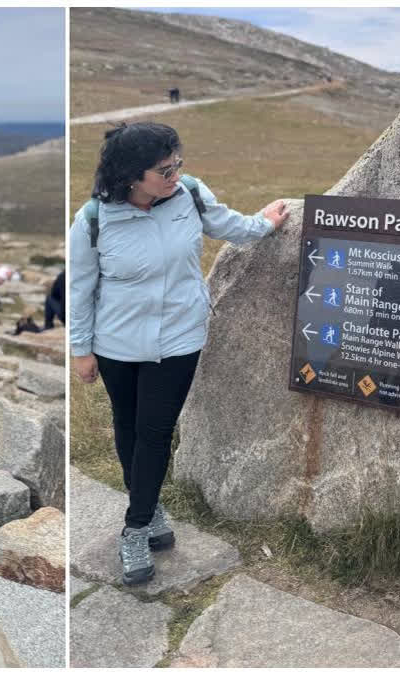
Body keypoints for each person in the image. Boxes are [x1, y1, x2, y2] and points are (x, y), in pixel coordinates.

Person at [69, 122, 288, 586]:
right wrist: (80, 350)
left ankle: (134, 527)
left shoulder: (189, 193)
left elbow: (230, 225)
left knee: (155, 431)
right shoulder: (92, 219)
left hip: (178, 339)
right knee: (127, 427)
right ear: (131, 175)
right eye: (164, 170)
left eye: (177, 164)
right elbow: (81, 287)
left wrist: (266, 223)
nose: (175, 175)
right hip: (116, 344)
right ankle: (150, 509)